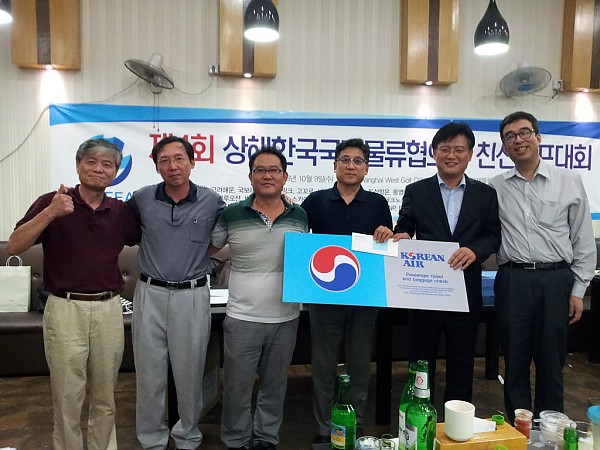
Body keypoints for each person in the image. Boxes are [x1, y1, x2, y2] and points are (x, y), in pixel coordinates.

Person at [7, 139, 141, 450]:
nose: (99, 169)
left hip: (108, 309)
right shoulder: (52, 201)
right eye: (91, 161)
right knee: (68, 395)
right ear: (78, 165)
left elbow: (147, 240)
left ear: (116, 172)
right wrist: (51, 213)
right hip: (64, 308)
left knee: (106, 395)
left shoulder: (120, 211)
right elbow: (14, 245)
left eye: (107, 164)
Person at [489, 111, 596, 423]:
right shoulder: (495, 187)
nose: (518, 140)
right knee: (515, 361)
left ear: (538, 137)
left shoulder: (568, 181)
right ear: (504, 147)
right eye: (510, 136)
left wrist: (578, 290)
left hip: (555, 280)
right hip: (513, 280)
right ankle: (520, 429)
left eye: (524, 132)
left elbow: (583, 240)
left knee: (551, 362)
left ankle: (550, 431)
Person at [393, 122, 501, 407]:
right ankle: (418, 417)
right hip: (424, 292)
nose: (451, 155)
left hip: (465, 291)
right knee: (420, 361)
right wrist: (401, 235)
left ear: (470, 154)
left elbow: (493, 235)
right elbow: (405, 226)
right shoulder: (416, 191)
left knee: (462, 361)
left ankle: (456, 419)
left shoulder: (485, 194)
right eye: (445, 149)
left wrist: (475, 251)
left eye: (459, 149)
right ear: (434, 152)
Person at [128, 136, 225, 450]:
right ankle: (152, 439)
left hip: (191, 296)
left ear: (192, 162)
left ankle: (187, 436)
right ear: (157, 166)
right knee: (149, 372)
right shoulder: (141, 198)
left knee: (190, 371)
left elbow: (223, 237)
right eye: (164, 160)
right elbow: (121, 229)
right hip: (150, 293)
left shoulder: (212, 201)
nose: (173, 166)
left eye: (179, 158)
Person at [210, 147, 308, 450]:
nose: (267, 175)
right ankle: (236, 440)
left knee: (275, 386)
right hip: (242, 317)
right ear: (251, 176)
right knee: (237, 386)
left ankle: (266, 437)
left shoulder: (299, 215)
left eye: (274, 170)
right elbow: (207, 250)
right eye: (260, 170)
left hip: (286, 317)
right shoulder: (231, 214)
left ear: (285, 176)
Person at [301, 138, 393, 442]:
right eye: (345, 160)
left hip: (364, 296)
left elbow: (387, 243)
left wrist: (387, 233)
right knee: (323, 364)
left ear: (366, 169)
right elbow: (299, 237)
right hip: (324, 294)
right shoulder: (316, 201)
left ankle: (355, 423)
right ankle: (324, 427)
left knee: (359, 363)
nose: (351, 165)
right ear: (335, 166)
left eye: (357, 161)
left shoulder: (377, 203)